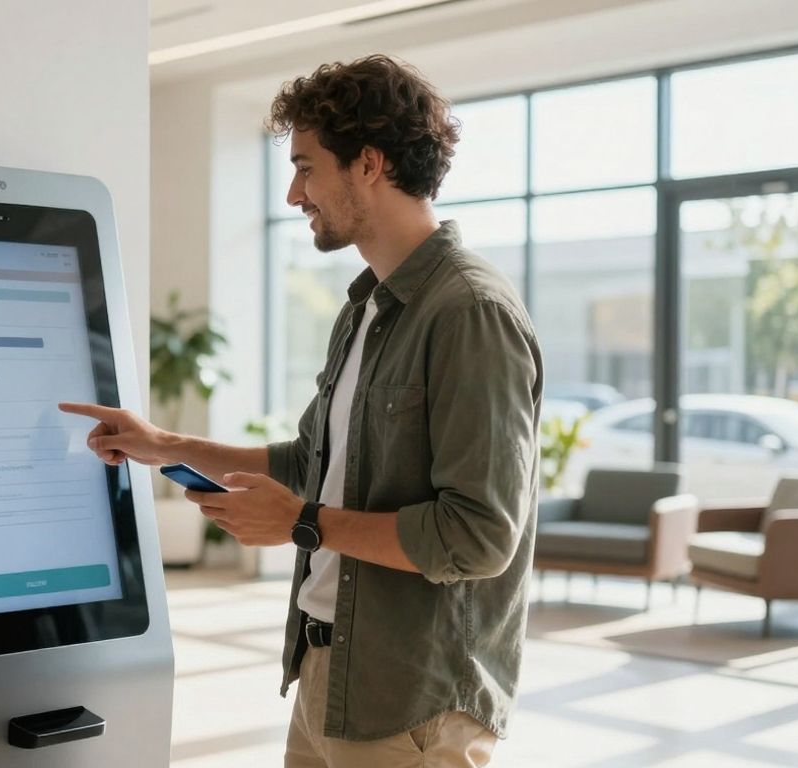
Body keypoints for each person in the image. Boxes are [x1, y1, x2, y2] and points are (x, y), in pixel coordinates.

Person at [61, 54, 541, 768]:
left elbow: (475, 537)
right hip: (330, 678)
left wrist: (300, 523)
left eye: (307, 166)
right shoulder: (366, 308)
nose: (293, 193)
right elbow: (313, 461)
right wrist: (166, 445)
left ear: (370, 164)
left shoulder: (469, 313)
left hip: (415, 704)